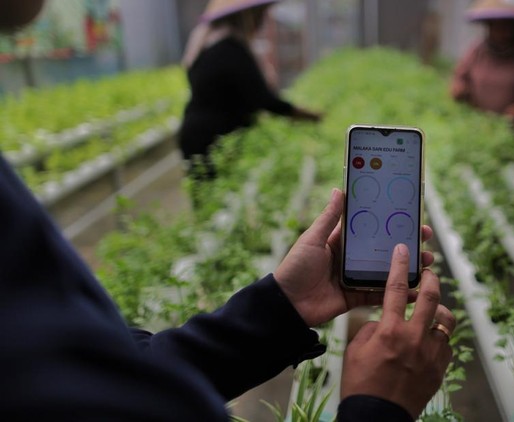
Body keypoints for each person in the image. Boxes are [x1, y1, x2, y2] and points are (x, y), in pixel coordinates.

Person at [0, 1, 455, 420]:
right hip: (215, 139)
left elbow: (112, 369)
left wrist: (284, 306)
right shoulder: (234, 51)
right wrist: (378, 408)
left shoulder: (208, 47)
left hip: (200, 138)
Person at [179, 0, 321, 182]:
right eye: (259, 14)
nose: (261, 21)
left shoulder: (210, 44)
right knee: (217, 198)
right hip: (211, 141)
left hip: (200, 136)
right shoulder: (229, 50)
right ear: (245, 16)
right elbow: (264, 100)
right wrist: (309, 115)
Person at [451, 0, 514, 128]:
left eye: (508, 26)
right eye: (497, 26)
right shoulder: (476, 52)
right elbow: (460, 77)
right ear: (489, 26)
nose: (503, 32)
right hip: (477, 125)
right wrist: (460, 89)